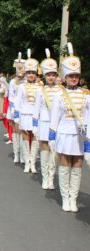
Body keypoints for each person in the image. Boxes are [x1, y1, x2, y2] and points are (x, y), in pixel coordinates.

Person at [50, 43, 89, 212]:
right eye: (70, 75)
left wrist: (88, 141)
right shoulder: (59, 94)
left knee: (78, 165)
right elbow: (55, 117)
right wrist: (52, 136)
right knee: (65, 164)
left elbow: (88, 118)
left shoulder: (85, 95)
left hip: (79, 136)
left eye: (76, 75)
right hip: (64, 134)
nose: (73, 78)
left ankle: (74, 197)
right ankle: (65, 197)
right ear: (65, 77)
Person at [32, 49, 62, 190]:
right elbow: (36, 109)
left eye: (53, 75)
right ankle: (45, 177)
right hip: (44, 123)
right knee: (45, 149)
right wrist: (35, 125)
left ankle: (51, 176)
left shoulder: (61, 91)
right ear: (44, 76)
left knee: (54, 151)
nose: (51, 77)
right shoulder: (40, 90)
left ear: (56, 76)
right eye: (48, 75)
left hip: (57, 125)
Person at [14, 49, 41, 173]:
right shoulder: (21, 86)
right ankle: (26, 162)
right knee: (25, 137)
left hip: (36, 115)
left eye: (33, 73)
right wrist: (16, 115)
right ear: (25, 74)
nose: (31, 75)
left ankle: (33, 162)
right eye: (29, 72)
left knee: (35, 138)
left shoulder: (40, 87)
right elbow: (17, 101)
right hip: (24, 114)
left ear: (36, 74)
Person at [8, 53, 26, 163]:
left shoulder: (27, 82)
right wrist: (14, 109)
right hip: (13, 108)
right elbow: (11, 96)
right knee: (15, 131)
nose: (20, 75)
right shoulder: (13, 81)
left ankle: (24, 155)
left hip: (24, 110)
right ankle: (16, 154)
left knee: (23, 132)